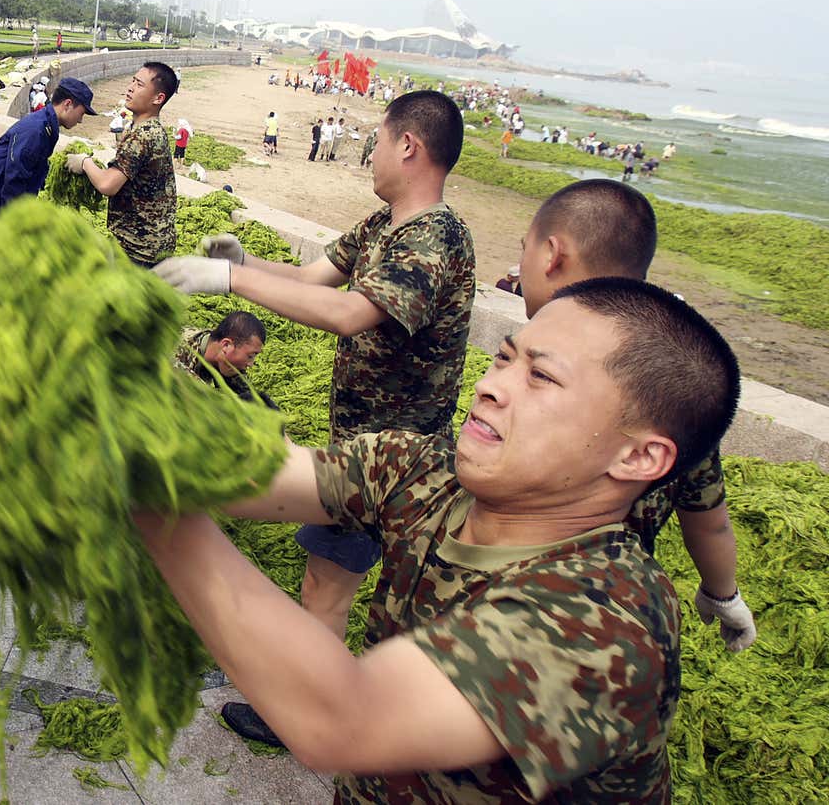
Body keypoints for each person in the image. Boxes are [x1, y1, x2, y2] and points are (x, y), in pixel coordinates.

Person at [132, 276, 742, 800]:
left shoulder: (606, 624)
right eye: (505, 358)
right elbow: (251, 471)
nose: (491, 385)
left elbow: (339, 718)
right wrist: (105, 409)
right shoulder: (428, 471)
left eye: (542, 378)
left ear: (640, 456)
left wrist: (151, 514)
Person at [154, 89, 477, 659]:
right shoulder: (384, 223)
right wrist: (244, 262)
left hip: (394, 460)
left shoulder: (436, 237)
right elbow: (311, 278)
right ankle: (334, 702)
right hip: (359, 450)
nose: (369, 154)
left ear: (408, 145)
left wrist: (231, 283)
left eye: (376, 141)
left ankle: (317, 712)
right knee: (329, 586)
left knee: (327, 590)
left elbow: (352, 314)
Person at [513, 180, 757, 653]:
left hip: (507, 579)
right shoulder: (674, 376)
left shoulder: (539, 363)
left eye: (525, 249)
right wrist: (722, 592)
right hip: (607, 601)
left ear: (552, 255)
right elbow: (707, 518)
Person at [66, 62, 180, 267]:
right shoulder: (148, 128)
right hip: (155, 242)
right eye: (132, 81)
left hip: (139, 247)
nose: (130, 88)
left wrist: (85, 162)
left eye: (139, 84)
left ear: (158, 98)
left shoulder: (143, 135)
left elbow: (107, 185)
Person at [0, 78, 98, 219]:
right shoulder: (36, 130)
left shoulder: (47, 125)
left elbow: (33, 167)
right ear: (67, 104)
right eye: (82, 113)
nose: (80, 120)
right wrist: (14, 223)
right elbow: (15, 179)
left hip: (2, 201)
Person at [173, 311, 278, 408]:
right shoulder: (174, 355)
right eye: (250, 356)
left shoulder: (225, 359)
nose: (250, 364)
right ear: (226, 345)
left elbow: (245, 393)